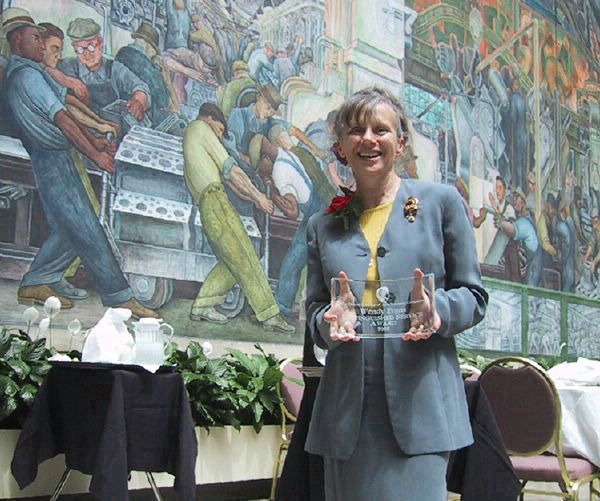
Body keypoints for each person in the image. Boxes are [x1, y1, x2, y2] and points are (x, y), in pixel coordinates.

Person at [304, 87, 487, 500]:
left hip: (421, 404)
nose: (367, 138)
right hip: (347, 412)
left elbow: (474, 295)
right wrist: (328, 321)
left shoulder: (440, 203)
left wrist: (438, 311)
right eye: (355, 131)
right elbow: (315, 310)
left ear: (401, 143)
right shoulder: (322, 224)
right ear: (341, 148)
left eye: (380, 129)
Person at [2, 7, 157, 319]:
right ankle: (120, 296)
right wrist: (97, 153)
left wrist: (97, 136)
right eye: (36, 39)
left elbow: (70, 109)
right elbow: (63, 120)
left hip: (53, 157)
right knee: (87, 226)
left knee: (67, 230)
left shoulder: (33, 73)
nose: (42, 46)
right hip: (53, 159)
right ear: (17, 40)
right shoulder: (27, 76)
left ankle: (36, 281)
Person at [182, 102, 295, 334]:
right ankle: (270, 314)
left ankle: (202, 305)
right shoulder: (201, 128)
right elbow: (232, 172)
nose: (220, 136)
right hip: (216, 202)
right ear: (211, 118)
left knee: (231, 261)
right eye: (220, 130)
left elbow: (233, 182)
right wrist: (260, 198)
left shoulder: (192, 140)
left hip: (208, 205)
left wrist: (254, 199)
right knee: (246, 256)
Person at [59, 17, 151, 122]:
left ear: (101, 43)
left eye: (91, 47)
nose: (86, 54)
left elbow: (140, 86)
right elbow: (45, 68)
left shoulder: (114, 68)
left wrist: (138, 102)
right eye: (80, 49)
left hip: (113, 125)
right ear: (74, 48)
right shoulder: (68, 66)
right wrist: (68, 81)